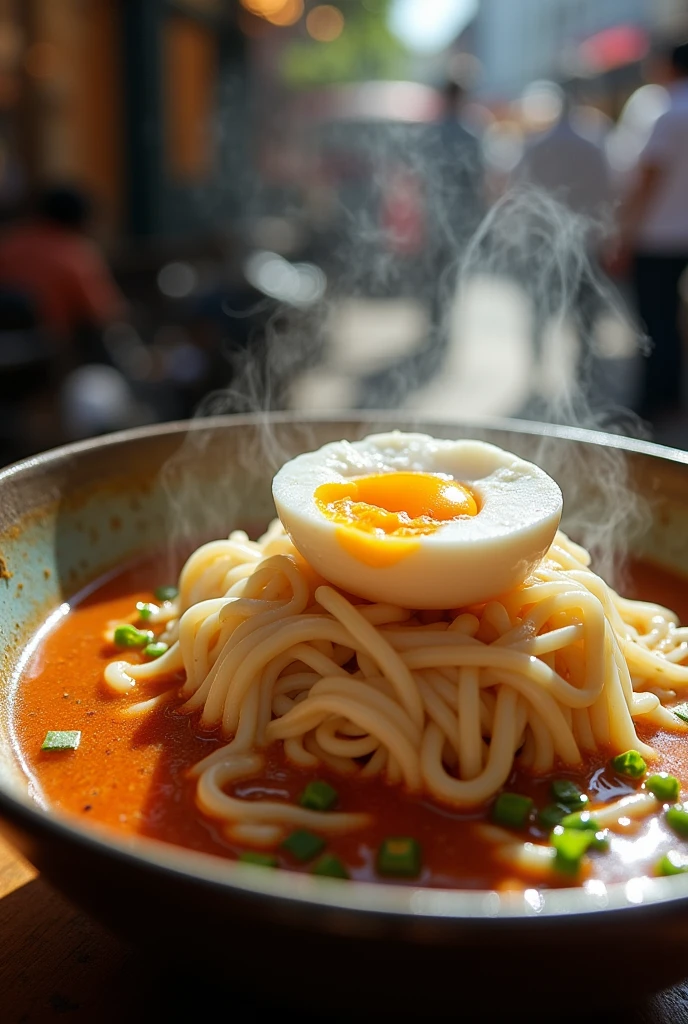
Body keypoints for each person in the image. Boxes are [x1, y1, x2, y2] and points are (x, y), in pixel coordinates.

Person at [513, 82, 614, 375]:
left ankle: (537, 360)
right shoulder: (593, 143)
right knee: (584, 308)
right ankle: (582, 365)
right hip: (586, 237)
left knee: (541, 303)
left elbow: (519, 188)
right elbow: (606, 189)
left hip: (541, 236)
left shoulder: (536, 144)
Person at [612, 41, 688, 424]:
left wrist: (624, 234)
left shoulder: (668, 113)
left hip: (658, 236)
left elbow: (647, 182)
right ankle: (673, 394)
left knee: (654, 322)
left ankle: (656, 399)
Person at [0, 184, 126, 371]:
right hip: (53, 363)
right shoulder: (75, 255)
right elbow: (103, 315)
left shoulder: (7, 244)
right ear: (81, 219)